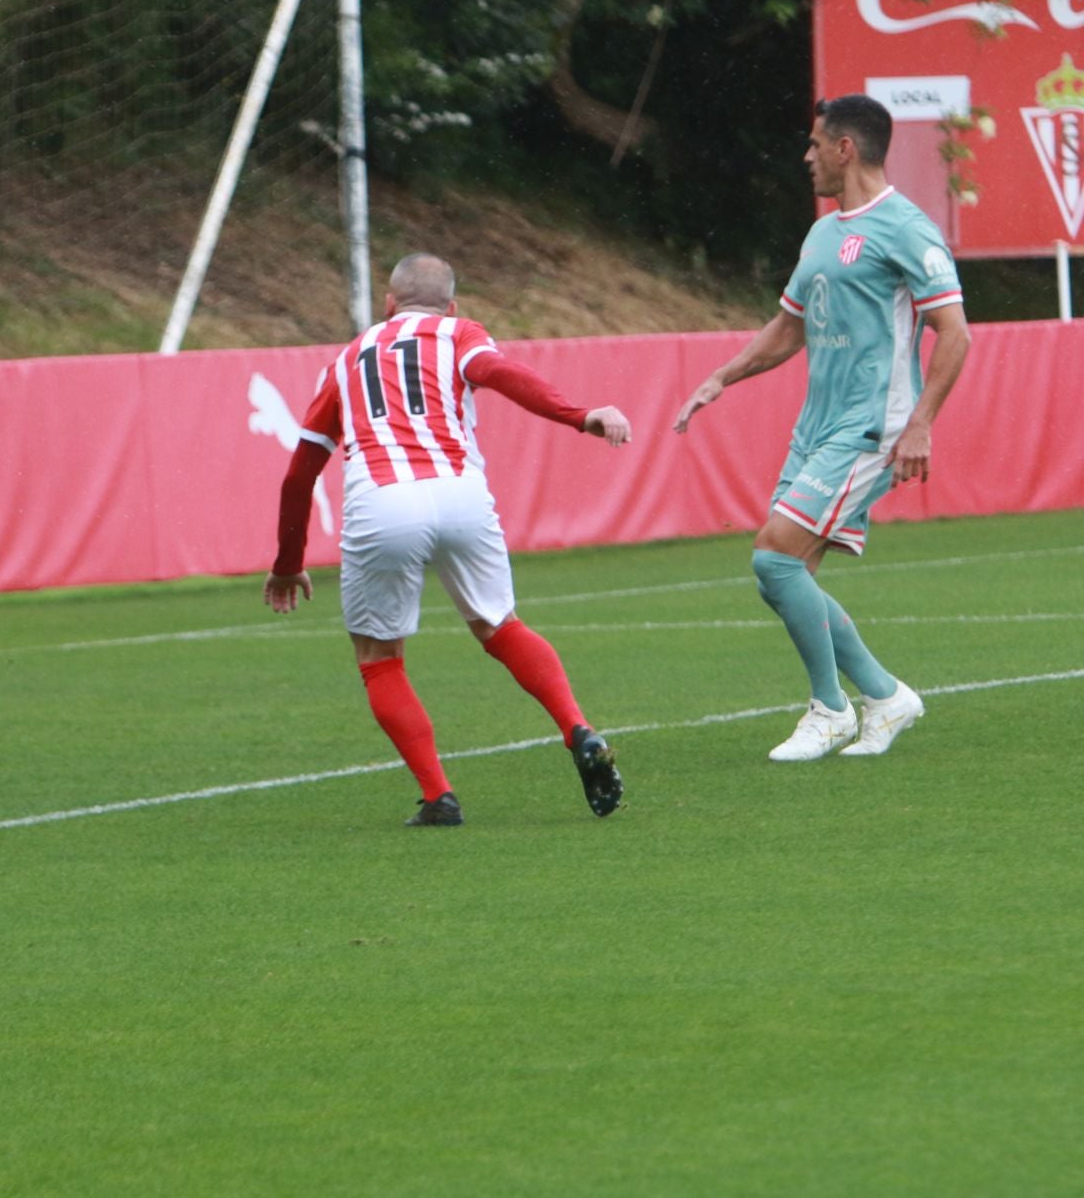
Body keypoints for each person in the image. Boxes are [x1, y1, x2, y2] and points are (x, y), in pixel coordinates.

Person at [265, 253, 632, 827]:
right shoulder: (460, 334)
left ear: (388, 304)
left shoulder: (344, 361)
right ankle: (577, 729)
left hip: (382, 501)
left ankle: (439, 797)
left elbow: (299, 474)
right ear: (452, 305)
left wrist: (287, 563)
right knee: (500, 626)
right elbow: (502, 375)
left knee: (379, 658)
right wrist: (579, 415)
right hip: (461, 493)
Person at [673, 94, 970, 762]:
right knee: (786, 574)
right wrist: (723, 376)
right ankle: (884, 696)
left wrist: (919, 425)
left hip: (873, 426)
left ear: (846, 149)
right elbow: (788, 329)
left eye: (814, 144)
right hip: (818, 426)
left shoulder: (907, 229)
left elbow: (956, 333)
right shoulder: (822, 232)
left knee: (774, 557)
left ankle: (831, 708)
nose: (805, 157)